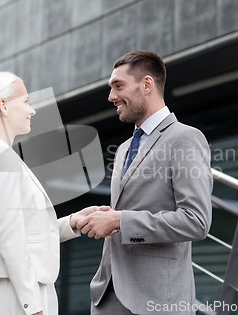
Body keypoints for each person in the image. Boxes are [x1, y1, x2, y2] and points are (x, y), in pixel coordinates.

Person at [77, 51, 213, 314]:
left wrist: (121, 221)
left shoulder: (185, 139)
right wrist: (107, 218)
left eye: (119, 86)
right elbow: (128, 208)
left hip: (156, 301)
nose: (111, 97)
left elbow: (196, 221)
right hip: (108, 296)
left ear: (147, 84)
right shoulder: (124, 149)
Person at [0, 71, 104, 315]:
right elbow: (10, 237)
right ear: (3, 106)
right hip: (19, 293)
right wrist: (33, 306)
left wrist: (73, 222)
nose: (32, 110)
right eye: (26, 102)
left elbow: (26, 231)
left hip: (22, 287)